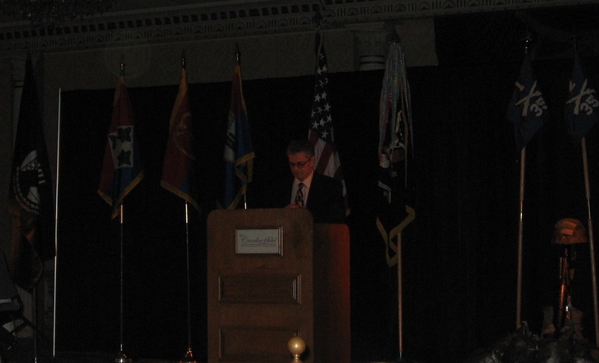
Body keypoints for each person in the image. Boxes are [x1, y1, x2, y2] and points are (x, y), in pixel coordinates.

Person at [268, 139, 346, 224]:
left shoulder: (330, 187)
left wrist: (303, 215)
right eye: (292, 164)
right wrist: (283, 214)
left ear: (312, 161)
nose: (295, 169)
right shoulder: (279, 186)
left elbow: (335, 220)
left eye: (300, 164)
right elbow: (269, 216)